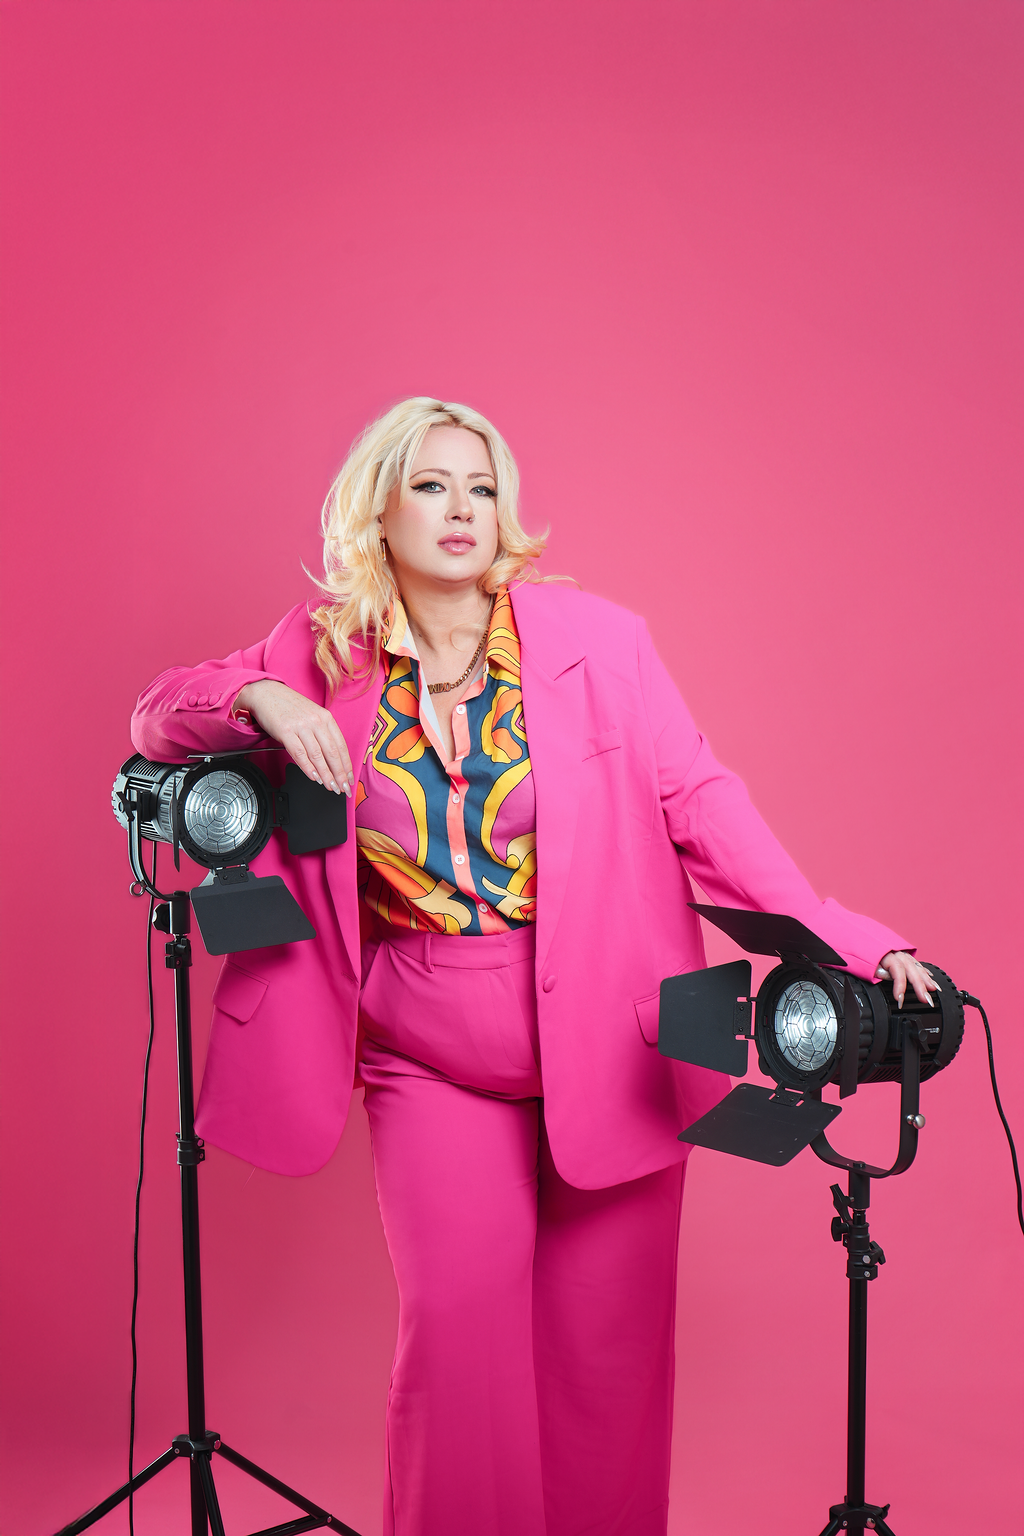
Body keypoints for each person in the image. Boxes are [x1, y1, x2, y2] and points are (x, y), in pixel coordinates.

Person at [131, 397, 937, 1536]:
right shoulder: (317, 654)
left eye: (481, 487)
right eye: (429, 485)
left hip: (627, 1042)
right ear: (379, 508)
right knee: (454, 1346)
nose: (461, 511)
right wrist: (254, 696)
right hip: (426, 1049)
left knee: (603, 1369)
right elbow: (159, 713)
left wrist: (854, 938)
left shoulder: (602, 644)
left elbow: (702, 803)